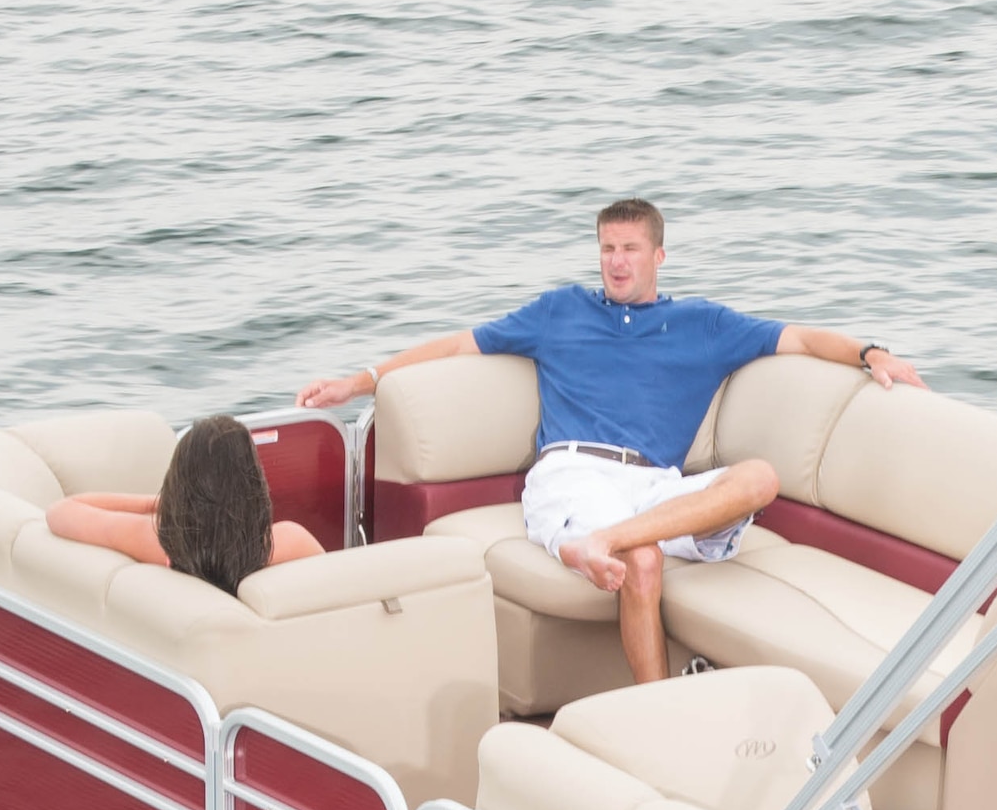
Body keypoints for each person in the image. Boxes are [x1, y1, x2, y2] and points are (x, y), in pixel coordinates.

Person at [299, 199, 928, 685]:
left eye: (629, 249)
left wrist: (871, 353)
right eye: (606, 249)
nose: (616, 262)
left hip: (658, 486)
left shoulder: (703, 325)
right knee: (645, 562)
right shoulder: (560, 312)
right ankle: (655, 709)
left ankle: (596, 544)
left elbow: (801, 339)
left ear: (659, 256)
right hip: (574, 472)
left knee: (758, 477)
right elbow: (458, 344)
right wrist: (363, 380)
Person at [46, 414, 324, 591]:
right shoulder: (288, 542)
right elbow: (337, 590)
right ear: (254, 482)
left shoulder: (157, 542)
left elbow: (62, 511)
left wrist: (158, 505)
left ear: (179, 479)